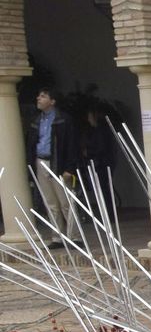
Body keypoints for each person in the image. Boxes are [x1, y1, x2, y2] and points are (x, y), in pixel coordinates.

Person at [27, 87, 82, 245]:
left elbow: (72, 145)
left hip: (58, 162)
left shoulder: (63, 120)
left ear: (52, 101)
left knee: (66, 202)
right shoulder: (36, 120)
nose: (38, 98)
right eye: (39, 96)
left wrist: (69, 168)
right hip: (40, 161)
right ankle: (57, 237)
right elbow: (31, 144)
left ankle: (75, 237)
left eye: (43, 96)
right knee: (50, 202)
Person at [81, 103, 117, 209]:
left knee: (103, 189)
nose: (88, 119)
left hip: (101, 164)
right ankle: (107, 210)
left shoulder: (101, 131)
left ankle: (108, 211)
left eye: (90, 117)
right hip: (101, 163)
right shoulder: (97, 130)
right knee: (102, 189)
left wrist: (88, 152)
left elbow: (101, 148)